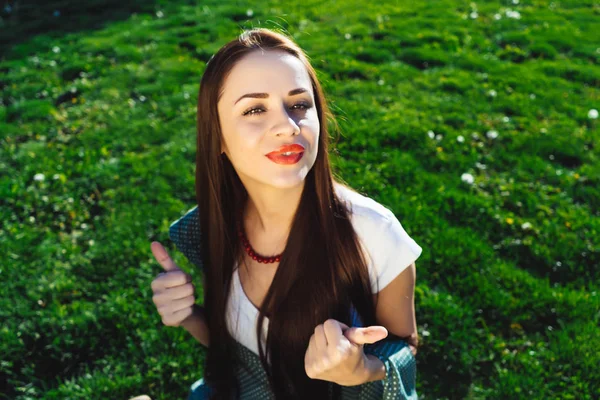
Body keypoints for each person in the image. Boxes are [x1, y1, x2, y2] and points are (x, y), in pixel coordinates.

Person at [147, 27, 423, 400]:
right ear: (219, 138)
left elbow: (405, 346)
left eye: (299, 105)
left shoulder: (374, 233)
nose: (287, 126)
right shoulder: (214, 225)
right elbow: (238, 350)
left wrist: (362, 370)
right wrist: (188, 316)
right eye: (255, 109)